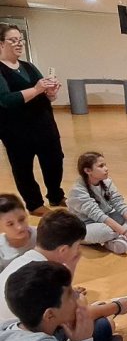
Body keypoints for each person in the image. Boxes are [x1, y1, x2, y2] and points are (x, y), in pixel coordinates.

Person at [0, 210, 127, 341]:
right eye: (77, 246)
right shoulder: (46, 274)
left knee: (95, 310)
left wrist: (71, 267)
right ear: (63, 249)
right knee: (104, 325)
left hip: (10, 335)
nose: (79, 251)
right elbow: (75, 314)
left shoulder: (29, 261)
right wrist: (117, 306)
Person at [0, 24, 65, 217]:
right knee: (23, 168)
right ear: (1, 44)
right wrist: (36, 89)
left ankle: (55, 195)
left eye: (20, 40)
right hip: (17, 131)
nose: (19, 44)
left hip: (44, 125)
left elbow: (44, 95)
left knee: (55, 160)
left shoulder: (28, 66)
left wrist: (50, 92)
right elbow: (6, 100)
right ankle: (34, 204)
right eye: (13, 40)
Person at [67, 151, 127, 255]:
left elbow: (120, 205)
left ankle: (119, 239)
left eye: (105, 165)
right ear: (88, 171)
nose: (106, 168)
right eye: (101, 166)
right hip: (86, 226)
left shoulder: (107, 182)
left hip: (108, 218)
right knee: (105, 231)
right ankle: (126, 235)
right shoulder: (77, 191)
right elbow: (99, 216)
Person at [0, 193, 36, 271]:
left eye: (21, 219)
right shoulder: (1, 250)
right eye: (10, 224)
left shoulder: (42, 235)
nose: (19, 227)